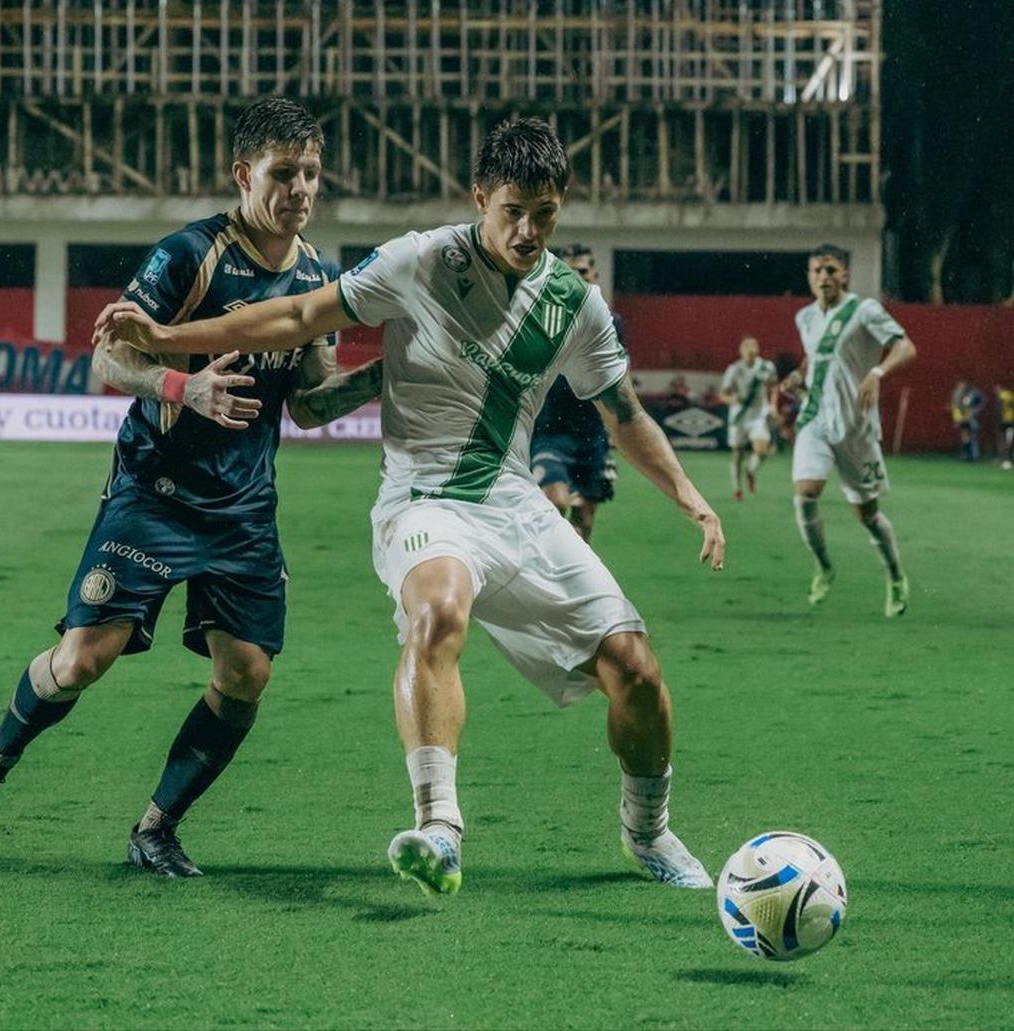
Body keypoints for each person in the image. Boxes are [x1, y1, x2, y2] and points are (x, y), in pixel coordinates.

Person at [97, 117, 726, 894]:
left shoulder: (574, 303)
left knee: (635, 666)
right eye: (514, 212)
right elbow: (298, 316)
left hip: (515, 502)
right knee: (439, 612)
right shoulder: (421, 259)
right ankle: (439, 828)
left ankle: (649, 832)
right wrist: (168, 336)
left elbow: (623, 413)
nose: (528, 231)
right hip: (422, 500)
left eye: (546, 214)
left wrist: (692, 499)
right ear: (480, 198)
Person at [0, 96, 383, 877]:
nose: (301, 189)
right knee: (81, 660)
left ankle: (156, 827)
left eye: (311, 172)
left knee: (247, 673)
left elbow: (309, 403)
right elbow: (108, 357)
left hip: (243, 508)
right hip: (155, 491)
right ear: (243, 174)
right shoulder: (189, 256)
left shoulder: (318, 278)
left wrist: (385, 376)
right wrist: (182, 386)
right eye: (283, 172)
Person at [784, 244, 916, 616]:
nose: (823, 277)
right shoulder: (805, 317)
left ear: (844, 274)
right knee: (806, 492)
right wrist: (799, 376)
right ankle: (824, 567)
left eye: (830, 270)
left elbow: (906, 347)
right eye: (816, 271)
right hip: (815, 419)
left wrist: (877, 372)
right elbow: (815, 356)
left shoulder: (864, 310)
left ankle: (895, 576)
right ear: (809, 277)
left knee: (867, 515)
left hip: (856, 428)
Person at [529, 243, 622, 542]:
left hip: (593, 436)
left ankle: (571, 567)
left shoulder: (611, 323)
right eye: (568, 273)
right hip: (549, 432)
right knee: (555, 502)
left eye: (582, 271)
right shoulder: (539, 319)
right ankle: (549, 558)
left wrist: (617, 430)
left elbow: (615, 382)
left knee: (585, 520)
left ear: (594, 275)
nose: (576, 279)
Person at [719, 336, 778, 499]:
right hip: (739, 416)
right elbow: (723, 394)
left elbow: (774, 386)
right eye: (747, 348)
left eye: (753, 347)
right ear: (741, 351)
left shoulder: (766, 367)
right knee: (738, 452)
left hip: (758, 415)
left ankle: (750, 471)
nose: (750, 351)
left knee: (762, 449)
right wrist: (732, 399)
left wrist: (773, 405)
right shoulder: (734, 369)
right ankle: (737, 488)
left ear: (757, 350)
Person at [949, 380, 985, 462]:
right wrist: (957, 418)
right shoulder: (957, 394)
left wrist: (975, 411)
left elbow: (982, 401)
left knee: (971, 437)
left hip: (970, 419)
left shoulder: (973, 393)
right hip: (963, 419)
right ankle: (967, 455)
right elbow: (955, 407)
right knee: (966, 436)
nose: (962, 387)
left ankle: (971, 455)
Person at [996, 384, 1014, 470]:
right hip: (1011, 422)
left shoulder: (1002, 396)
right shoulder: (1011, 395)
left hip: (1004, 422)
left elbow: (999, 408)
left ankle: (1005, 459)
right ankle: (1007, 459)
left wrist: (998, 419)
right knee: (1009, 440)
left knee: (1003, 440)